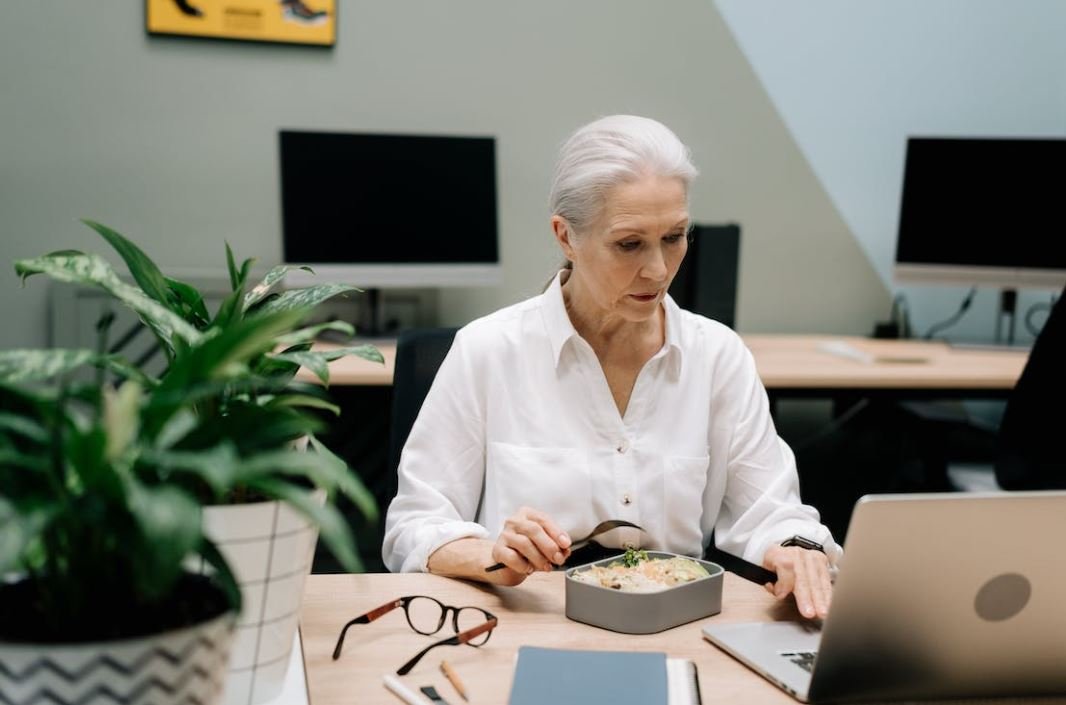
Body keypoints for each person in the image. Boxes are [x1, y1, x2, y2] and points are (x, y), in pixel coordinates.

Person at [382, 115, 839, 619]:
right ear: (566, 237)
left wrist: (799, 550)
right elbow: (414, 526)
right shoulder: (490, 350)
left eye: (675, 237)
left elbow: (771, 511)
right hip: (527, 626)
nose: (659, 270)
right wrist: (490, 555)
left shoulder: (717, 356)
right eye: (629, 244)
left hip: (674, 626)